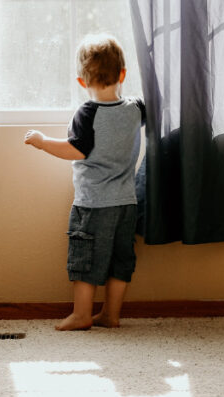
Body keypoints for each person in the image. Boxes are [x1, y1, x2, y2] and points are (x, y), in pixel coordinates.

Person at [24, 33, 145, 331]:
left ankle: (81, 315)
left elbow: (75, 149)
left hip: (93, 204)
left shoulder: (87, 113)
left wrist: (42, 141)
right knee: (121, 262)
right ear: (123, 74)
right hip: (127, 203)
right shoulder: (135, 108)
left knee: (85, 260)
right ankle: (111, 314)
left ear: (81, 82)